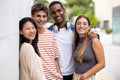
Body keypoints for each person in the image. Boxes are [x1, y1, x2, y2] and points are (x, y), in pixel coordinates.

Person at [31, 3, 62, 80]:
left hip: (54, 78)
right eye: (38, 16)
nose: (41, 19)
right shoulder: (30, 36)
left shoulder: (51, 35)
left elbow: (56, 59)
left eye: (44, 16)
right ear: (32, 16)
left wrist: (59, 76)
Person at [72, 14, 105, 80]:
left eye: (84, 24)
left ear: (89, 27)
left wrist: (85, 76)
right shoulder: (76, 42)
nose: (81, 26)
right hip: (75, 77)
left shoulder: (94, 41)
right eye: (78, 24)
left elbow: (102, 64)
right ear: (75, 26)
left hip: (87, 77)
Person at [48, 1, 75, 80]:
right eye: (53, 12)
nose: (57, 14)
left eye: (59, 10)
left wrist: (95, 36)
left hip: (73, 74)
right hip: (55, 74)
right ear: (51, 15)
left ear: (64, 10)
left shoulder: (74, 30)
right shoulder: (49, 32)